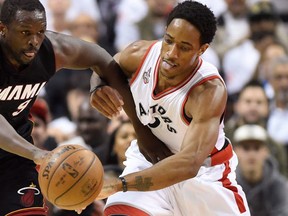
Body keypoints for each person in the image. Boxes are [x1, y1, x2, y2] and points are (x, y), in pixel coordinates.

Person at [0, 0, 161, 215]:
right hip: (21, 147)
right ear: (2, 29)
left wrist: (97, 84)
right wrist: (38, 154)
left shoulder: (52, 49)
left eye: (40, 32)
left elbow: (102, 58)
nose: (34, 41)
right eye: (25, 32)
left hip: (15, 157)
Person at [90, 1, 250, 215]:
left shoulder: (208, 91)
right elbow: (104, 65)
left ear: (202, 50)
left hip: (204, 176)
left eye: (184, 47)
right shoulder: (140, 54)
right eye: (169, 41)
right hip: (149, 162)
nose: (171, 54)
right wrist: (96, 87)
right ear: (164, 32)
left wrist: (118, 184)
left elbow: (189, 164)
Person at [234, 124, 288, 215]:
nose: (251, 154)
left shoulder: (279, 185)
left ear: (265, 152)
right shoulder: (228, 185)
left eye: (257, 148)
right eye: (246, 148)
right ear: (236, 151)